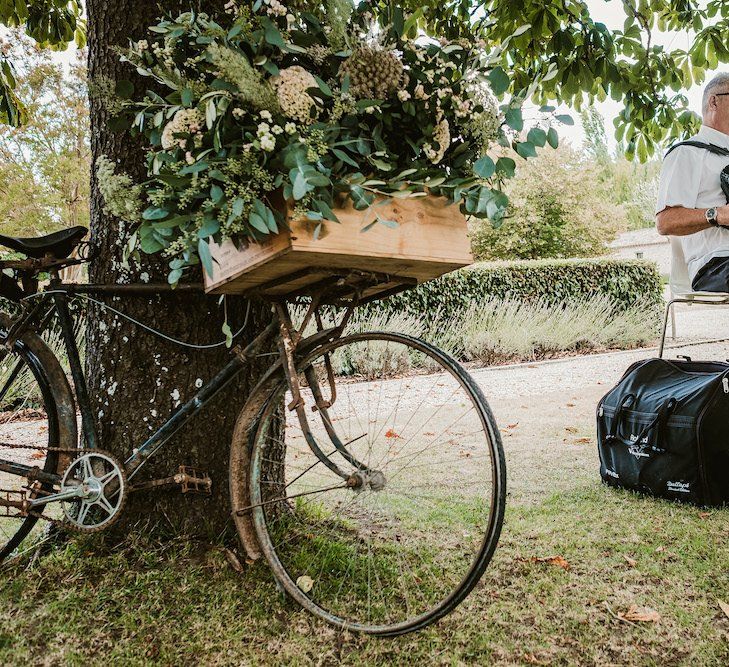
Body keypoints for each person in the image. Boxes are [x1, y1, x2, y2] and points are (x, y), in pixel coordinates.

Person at [656, 72, 729, 292]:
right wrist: (718, 214)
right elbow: (665, 222)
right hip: (716, 263)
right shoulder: (687, 153)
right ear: (714, 101)